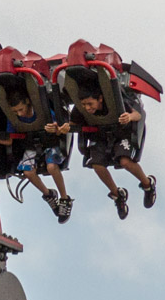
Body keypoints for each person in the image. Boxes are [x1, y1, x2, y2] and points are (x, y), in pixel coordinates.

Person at [57, 85, 156, 220]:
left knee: (125, 161)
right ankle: (117, 195)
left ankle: (148, 185)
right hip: (100, 137)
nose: (87, 108)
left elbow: (138, 114)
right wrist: (64, 128)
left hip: (121, 135)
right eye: (84, 104)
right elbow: (73, 123)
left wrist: (130, 117)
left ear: (100, 99)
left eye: (90, 104)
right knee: (97, 165)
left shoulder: (115, 101)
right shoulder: (80, 110)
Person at [0, 83, 73, 223]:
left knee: (51, 166)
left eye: (21, 109)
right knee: (28, 172)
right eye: (15, 112)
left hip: (51, 142)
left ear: (28, 102)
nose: (19, 114)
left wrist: (55, 128)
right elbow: (9, 141)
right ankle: (48, 194)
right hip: (32, 144)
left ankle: (64, 198)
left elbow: (59, 129)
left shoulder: (42, 110)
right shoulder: (14, 119)